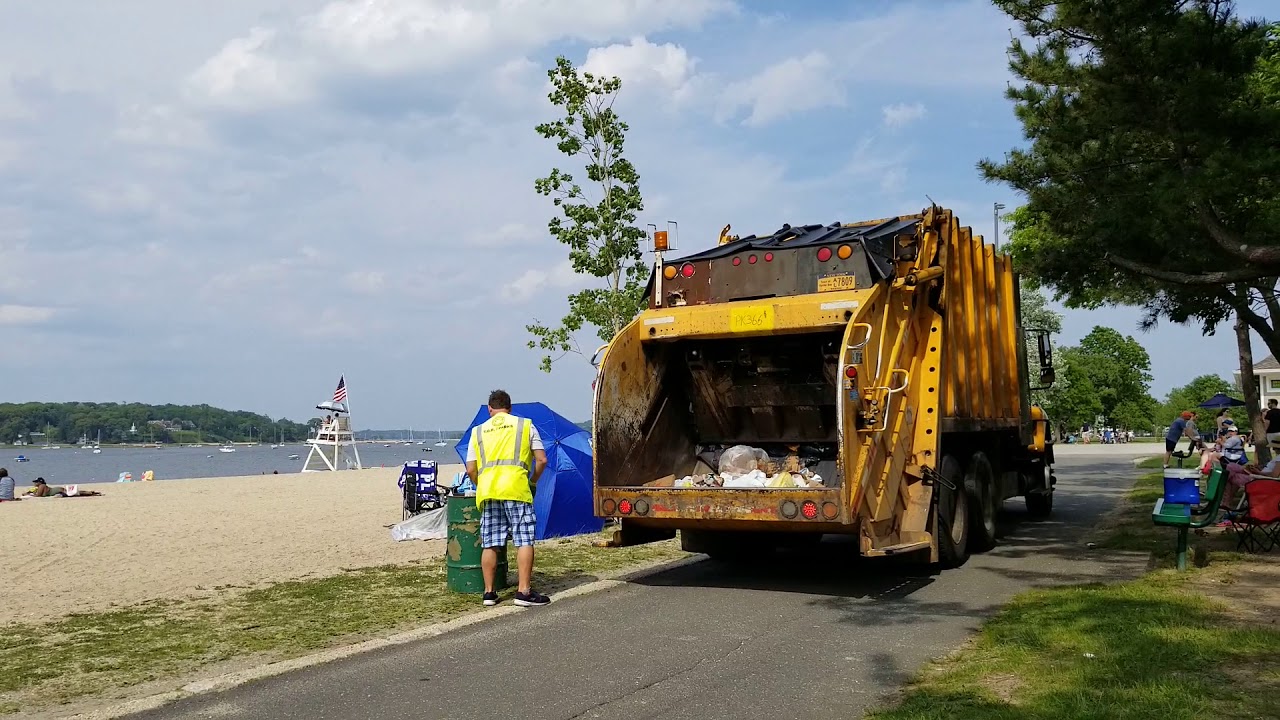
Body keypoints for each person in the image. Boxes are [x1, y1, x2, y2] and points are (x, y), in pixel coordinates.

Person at [465, 389, 550, 608]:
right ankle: (523, 592)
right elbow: (541, 460)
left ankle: (489, 593)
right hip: (517, 489)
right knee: (523, 540)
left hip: (489, 492)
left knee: (490, 543)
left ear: (489, 409)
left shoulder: (478, 431)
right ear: (510, 408)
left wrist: (480, 484)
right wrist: (533, 481)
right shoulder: (525, 425)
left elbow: (471, 468)